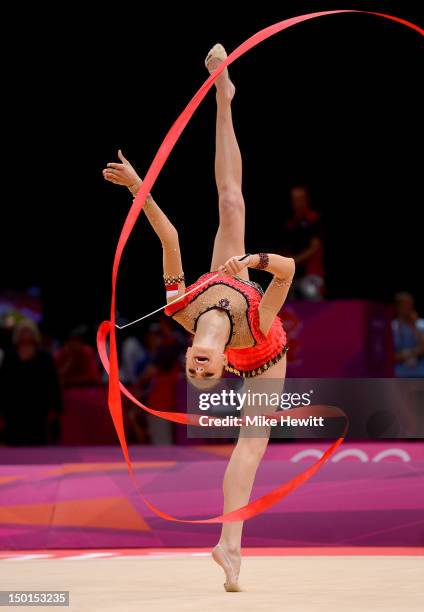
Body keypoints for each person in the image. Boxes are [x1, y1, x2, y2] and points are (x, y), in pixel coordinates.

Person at [103, 43, 295, 591]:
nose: (202, 368)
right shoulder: (256, 328)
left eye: (198, 369)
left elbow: (169, 236)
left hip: (220, 282)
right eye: (207, 373)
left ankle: (224, 93)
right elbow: (286, 272)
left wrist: (138, 186)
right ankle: (232, 546)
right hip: (264, 350)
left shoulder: (181, 311)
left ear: (193, 355)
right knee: (252, 444)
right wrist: (255, 260)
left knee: (231, 201)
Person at [0, 319, 62, 445]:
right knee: (13, 444)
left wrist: (55, 408)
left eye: (29, 332)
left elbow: (53, 384)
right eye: (23, 332)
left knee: (37, 444)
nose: (26, 335)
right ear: (17, 335)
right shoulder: (9, 357)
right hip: (13, 410)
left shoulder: (45, 358)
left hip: (38, 410)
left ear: (35, 335)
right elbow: (2, 384)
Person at [282, 184, 325, 299]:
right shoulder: (290, 224)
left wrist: (296, 260)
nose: (297, 202)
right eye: (294, 199)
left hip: (312, 274)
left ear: (307, 200)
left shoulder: (314, 219)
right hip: (292, 276)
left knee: (309, 292)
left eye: (300, 198)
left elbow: (315, 246)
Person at [392, 292, 424, 378]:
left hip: (420, 375)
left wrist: (415, 326)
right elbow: (389, 357)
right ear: (397, 307)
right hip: (399, 375)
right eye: (404, 306)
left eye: (410, 305)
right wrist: (415, 352)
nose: (408, 309)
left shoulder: (423, 324)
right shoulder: (392, 326)